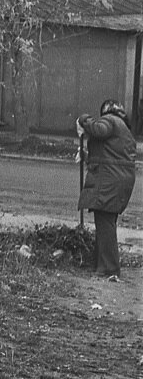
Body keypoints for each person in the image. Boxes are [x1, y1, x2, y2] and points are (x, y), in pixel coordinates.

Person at [76, 99, 136, 281]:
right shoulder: (123, 128)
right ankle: (102, 265)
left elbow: (98, 130)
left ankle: (109, 268)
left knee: (105, 222)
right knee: (106, 222)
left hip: (109, 181)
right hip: (118, 180)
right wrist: (87, 156)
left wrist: (82, 120)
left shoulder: (111, 120)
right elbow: (108, 155)